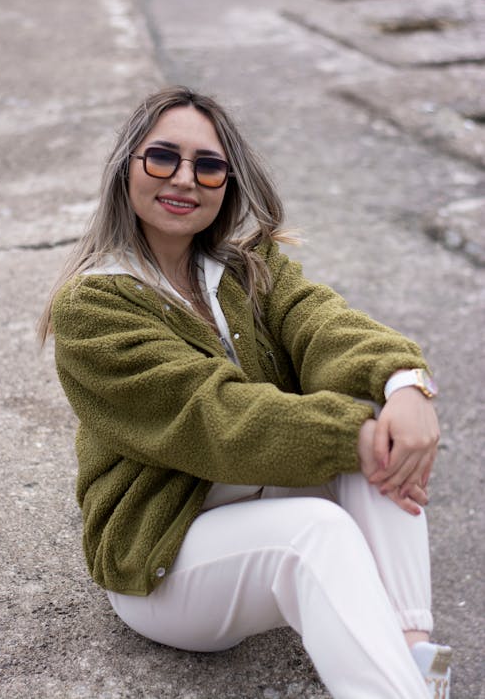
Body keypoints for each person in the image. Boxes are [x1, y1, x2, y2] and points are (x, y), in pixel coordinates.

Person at [40, 86, 451, 698]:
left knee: (379, 423)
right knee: (320, 526)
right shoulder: (94, 305)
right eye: (162, 157)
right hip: (164, 560)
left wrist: (404, 384)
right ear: (125, 168)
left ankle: (414, 658)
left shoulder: (247, 265)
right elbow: (209, 415)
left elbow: (325, 325)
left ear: (228, 183)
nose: (184, 179)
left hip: (254, 502)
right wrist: (352, 436)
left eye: (208, 165)